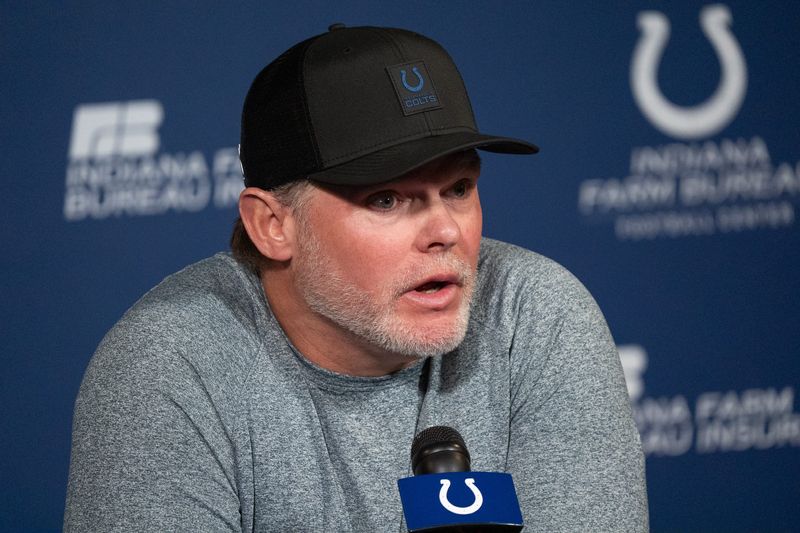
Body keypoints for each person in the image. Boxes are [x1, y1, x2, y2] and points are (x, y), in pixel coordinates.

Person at [64, 24, 648, 532]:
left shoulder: (537, 315)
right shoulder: (172, 363)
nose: (445, 231)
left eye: (458, 188)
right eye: (387, 199)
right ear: (273, 225)